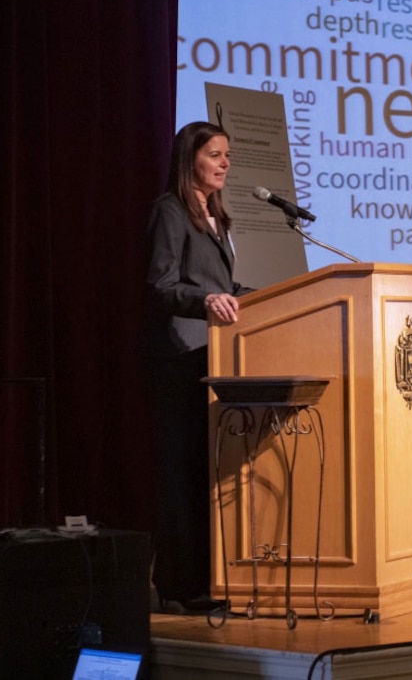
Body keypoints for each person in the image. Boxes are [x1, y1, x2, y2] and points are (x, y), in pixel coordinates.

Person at [145, 121, 251, 611]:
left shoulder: (217, 216)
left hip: (212, 356)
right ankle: (180, 588)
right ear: (192, 159)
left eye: (227, 154)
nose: (225, 162)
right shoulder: (171, 212)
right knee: (181, 473)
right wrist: (204, 301)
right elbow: (159, 286)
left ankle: (209, 581)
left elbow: (221, 286)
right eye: (215, 154)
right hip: (179, 359)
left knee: (205, 471)